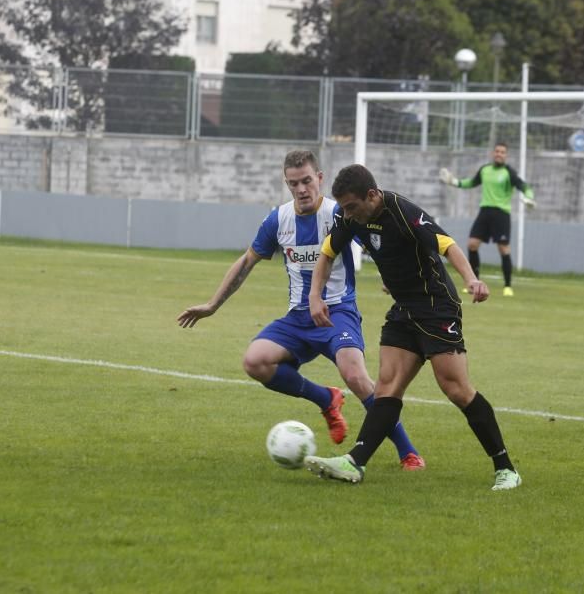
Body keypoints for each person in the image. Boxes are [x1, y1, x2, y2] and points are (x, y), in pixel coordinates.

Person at [177, 151, 425, 470]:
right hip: (298, 317)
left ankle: (408, 451)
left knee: (355, 375)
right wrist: (212, 305)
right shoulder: (278, 219)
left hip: (338, 312)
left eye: (307, 181)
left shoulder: (341, 213)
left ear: (319, 178)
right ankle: (326, 399)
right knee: (255, 362)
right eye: (294, 183)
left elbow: (379, 243)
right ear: (287, 184)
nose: (301, 189)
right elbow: (246, 262)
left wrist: (393, 279)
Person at [303, 164, 522, 491]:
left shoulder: (404, 212)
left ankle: (506, 469)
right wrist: (315, 295)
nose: (347, 214)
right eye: (343, 208)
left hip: (436, 307)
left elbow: (447, 245)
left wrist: (472, 279)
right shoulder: (350, 218)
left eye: (352, 206)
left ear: (372, 195)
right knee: (388, 387)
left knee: (456, 389)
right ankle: (354, 463)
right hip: (404, 309)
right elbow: (328, 251)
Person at [439, 142, 535, 297]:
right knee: (472, 245)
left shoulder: (509, 172)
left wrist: (529, 198)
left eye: (502, 152)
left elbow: (524, 186)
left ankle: (508, 286)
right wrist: (454, 182)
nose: (499, 154)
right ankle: (473, 282)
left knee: (503, 249)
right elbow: (471, 182)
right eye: (497, 151)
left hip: (501, 213)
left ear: (506, 155)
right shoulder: (485, 170)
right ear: (493, 153)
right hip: (485, 211)